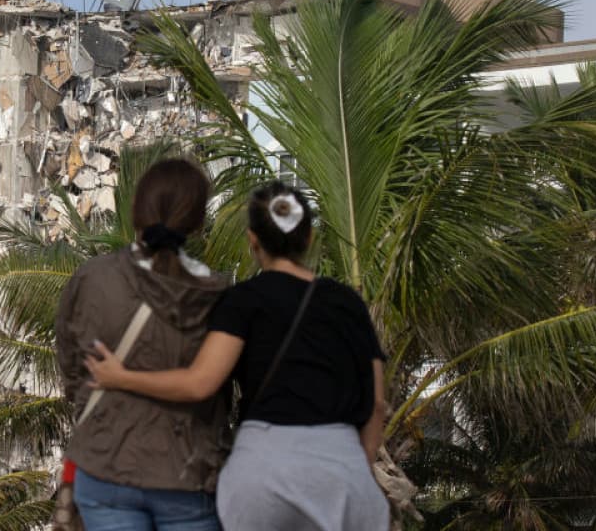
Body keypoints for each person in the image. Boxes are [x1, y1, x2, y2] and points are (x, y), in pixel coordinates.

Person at [86, 181, 390, 531]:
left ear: (252, 240)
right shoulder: (347, 303)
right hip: (342, 468)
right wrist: (355, 467)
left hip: (265, 470)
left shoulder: (243, 300)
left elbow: (200, 383)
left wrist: (121, 377)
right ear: (308, 237)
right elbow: (376, 403)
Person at [55, 158, 231, 531]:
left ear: (136, 210)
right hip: (186, 471)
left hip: (105, 464)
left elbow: (71, 370)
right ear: (198, 221)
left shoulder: (92, 278)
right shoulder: (216, 295)